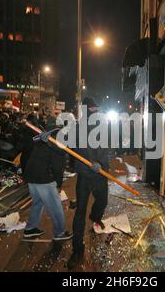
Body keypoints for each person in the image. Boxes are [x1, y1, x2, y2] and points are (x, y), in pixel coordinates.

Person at [67, 97, 109, 269]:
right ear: (85, 109)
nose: (95, 111)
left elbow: (106, 147)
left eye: (96, 108)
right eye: (91, 109)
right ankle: (77, 250)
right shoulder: (77, 128)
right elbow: (71, 147)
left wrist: (100, 163)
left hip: (100, 174)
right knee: (80, 213)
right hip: (84, 176)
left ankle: (96, 217)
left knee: (103, 201)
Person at [21, 117, 72, 241]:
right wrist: (58, 184)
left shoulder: (43, 136)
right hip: (44, 177)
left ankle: (30, 228)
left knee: (38, 202)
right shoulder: (58, 140)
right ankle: (59, 232)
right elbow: (57, 165)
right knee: (55, 206)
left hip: (31, 174)